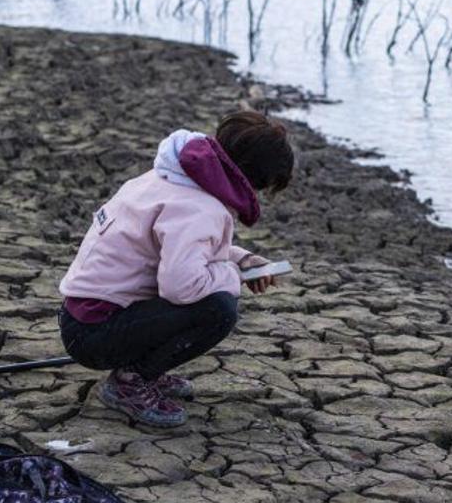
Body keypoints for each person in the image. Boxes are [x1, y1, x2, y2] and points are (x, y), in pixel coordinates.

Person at [57, 110, 293, 429]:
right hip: (94, 333)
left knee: (214, 293)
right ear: (255, 177)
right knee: (219, 307)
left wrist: (242, 259)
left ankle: (142, 369)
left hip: (81, 316)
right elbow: (182, 287)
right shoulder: (200, 207)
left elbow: (178, 249)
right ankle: (130, 381)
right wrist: (232, 276)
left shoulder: (173, 176)